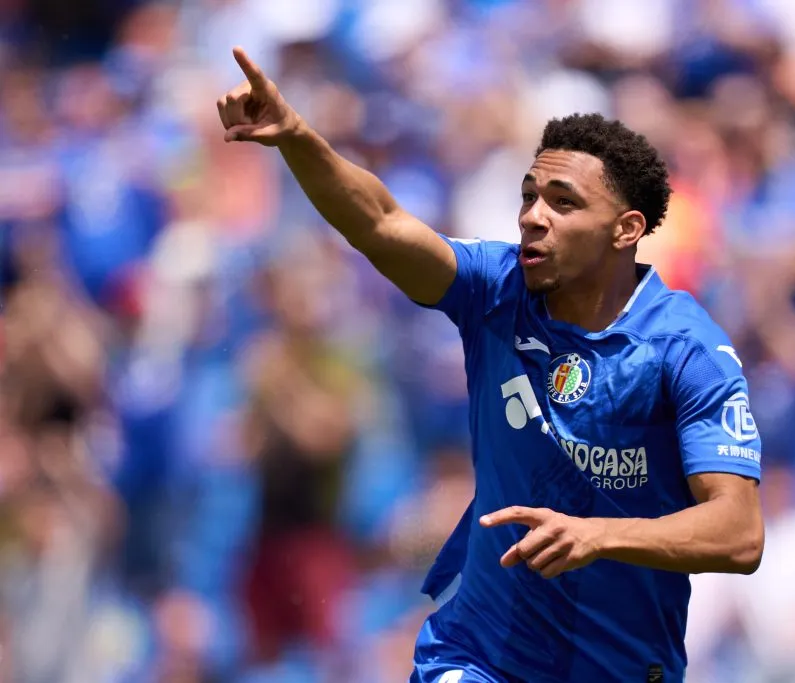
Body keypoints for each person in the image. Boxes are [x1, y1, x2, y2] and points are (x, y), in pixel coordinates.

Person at [217, 47, 765, 683]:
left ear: (626, 229)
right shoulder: (495, 287)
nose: (533, 216)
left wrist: (600, 535)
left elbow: (739, 533)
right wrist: (297, 137)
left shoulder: (686, 349)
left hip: (618, 667)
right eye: (529, 195)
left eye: (563, 202)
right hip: (479, 658)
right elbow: (380, 222)